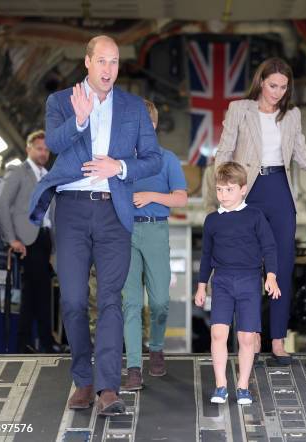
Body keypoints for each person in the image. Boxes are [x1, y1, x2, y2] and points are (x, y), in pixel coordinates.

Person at [29, 35, 162, 416]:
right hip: (70, 211)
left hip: (111, 211)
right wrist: (81, 118)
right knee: (72, 301)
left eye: (115, 62)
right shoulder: (60, 102)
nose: (109, 69)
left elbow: (151, 159)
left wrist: (119, 167)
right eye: (102, 61)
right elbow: (54, 141)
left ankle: (107, 388)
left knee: (110, 301)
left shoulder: (134, 108)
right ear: (87, 63)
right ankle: (83, 380)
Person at [215, 57, 306, 364]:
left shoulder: (292, 115)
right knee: (246, 266)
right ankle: (251, 334)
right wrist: (224, 194)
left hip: (279, 193)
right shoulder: (240, 110)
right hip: (248, 189)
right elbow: (224, 152)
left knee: (281, 266)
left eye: (284, 87)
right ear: (260, 82)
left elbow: (304, 157)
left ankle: (278, 340)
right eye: (273, 85)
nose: (278, 92)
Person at [194, 162, 280, 405]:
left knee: (246, 338)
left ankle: (242, 386)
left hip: (249, 282)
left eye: (229, 190)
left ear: (243, 189)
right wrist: (201, 285)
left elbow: (269, 247)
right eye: (220, 190)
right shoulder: (212, 220)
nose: (223, 195)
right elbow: (207, 256)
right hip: (221, 282)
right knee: (218, 333)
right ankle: (221, 386)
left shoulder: (255, 216)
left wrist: (271, 275)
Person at [122, 99, 188, 390]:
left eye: (146, 124)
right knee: (131, 303)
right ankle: (134, 365)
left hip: (156, 231)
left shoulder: (167, 159)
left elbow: (181, 198)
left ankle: (157, 346)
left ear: (154, 125)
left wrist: (151, 196)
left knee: (160, 301)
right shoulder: (120, 161)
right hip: (124, 234)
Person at [0, 130, 55, 353]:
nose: (43, 153)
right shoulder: (18, 172)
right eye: (39, 148)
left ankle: (25, 343)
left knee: (35, 291)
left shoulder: (49, 175)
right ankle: (43, 342)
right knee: (40, 291)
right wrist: (12, 239)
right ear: (28, 149)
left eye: (46, 150)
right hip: (27, 239)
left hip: (45, 238)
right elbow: (3, 206)